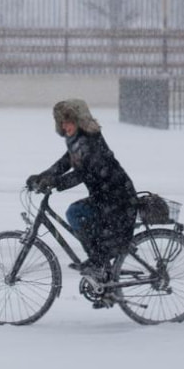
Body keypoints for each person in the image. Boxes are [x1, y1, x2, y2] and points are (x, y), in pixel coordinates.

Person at [26, 99, 138, 284]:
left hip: (117, 198)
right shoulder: (78, 141)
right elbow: (66, 162)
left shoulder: (89, 140)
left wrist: (55, 182)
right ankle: (101, 268)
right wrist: (43, 176)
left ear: (78, 120)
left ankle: (98, 262)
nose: (65, 125)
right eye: (62, 122)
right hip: (106, 196)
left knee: (75, 212)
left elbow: (83, 173)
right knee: (81, 215)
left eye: (68, 121)